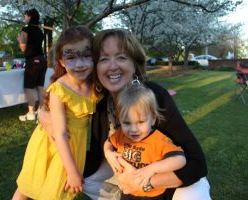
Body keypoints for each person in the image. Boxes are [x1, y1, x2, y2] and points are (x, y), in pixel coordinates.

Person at [39, 28, 211, 200]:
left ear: (134, 63)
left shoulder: (153, 96)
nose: (112, 66)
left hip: (171, 175)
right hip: (129, 168)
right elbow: (64, 91)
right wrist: (43, 115)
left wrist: (146, 183)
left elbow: (197, 163)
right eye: (104, 59)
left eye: (121, 58)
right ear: (95, 66)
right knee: (85, 179)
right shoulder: (99, 99)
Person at [12, 26, 102, 200]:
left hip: (75, 146)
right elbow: (59, 133)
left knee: (56, 190)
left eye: (86, 55)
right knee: (28, 186)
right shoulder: (60, 90)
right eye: (71, 57)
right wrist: (73, 172)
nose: (80, 64)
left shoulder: (95, 85)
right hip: (52, 145)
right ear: (61, 61)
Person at [104, 82, 186, 200]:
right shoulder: (121, 134)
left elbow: (180, 160)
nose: (133, 129)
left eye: (140, 122)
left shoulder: (158, 140)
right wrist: (108, 153)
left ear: (152, 118)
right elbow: (109, 142)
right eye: (127, 123)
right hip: (127, 191)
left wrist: (152, 168)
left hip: (152, 195)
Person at [17, 8, 47, 121]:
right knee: (40, 87)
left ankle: (31, 113)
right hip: (42, 60)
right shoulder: (40, 31)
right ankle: (41, 111)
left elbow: (23, 47)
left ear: (29, 17)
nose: (24, 18)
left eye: (25, 16)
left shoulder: (26, 29)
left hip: (33, 61)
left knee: (29, 88)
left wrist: (20, 41)